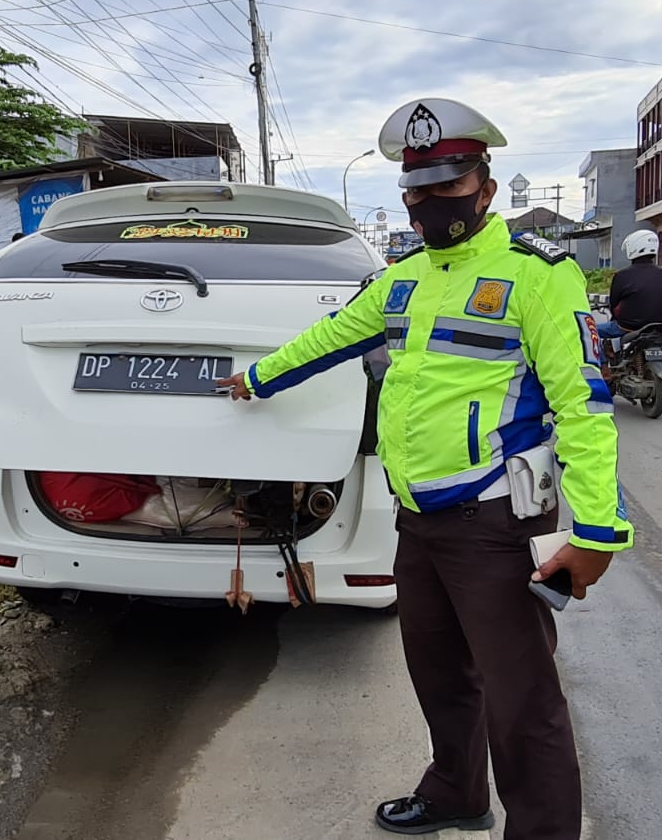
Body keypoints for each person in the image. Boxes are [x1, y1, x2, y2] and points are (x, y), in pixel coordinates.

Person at [219, 98, 633, 840]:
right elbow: (333, 337)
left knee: (523, 702)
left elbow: (585, 406)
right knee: (440, 677)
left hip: (497, 524)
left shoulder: (538, 276)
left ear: (485, 186)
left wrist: (599, 530)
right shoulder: (406, 278)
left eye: (445, 185)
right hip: (420, 520)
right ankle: (455, 794)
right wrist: (257, 379)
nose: (426, 204)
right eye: (416, 190)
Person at [596, 229, 662, 355]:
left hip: (626, 328)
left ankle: (604, 366)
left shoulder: (622, 276)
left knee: (589, 331)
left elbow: (614, 306)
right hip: (658, 328)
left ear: (632, 247)